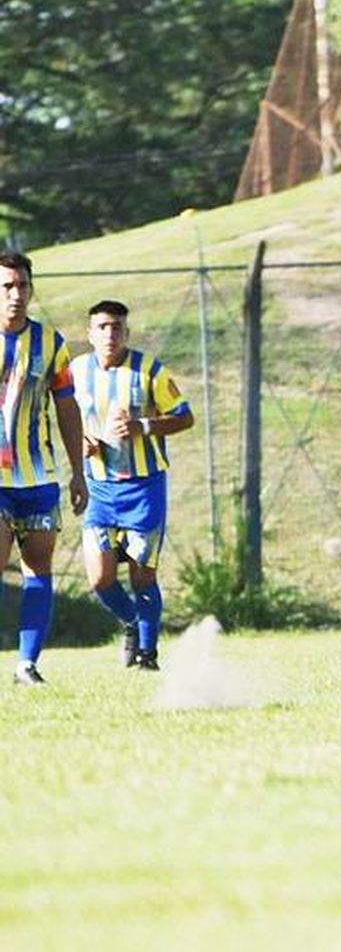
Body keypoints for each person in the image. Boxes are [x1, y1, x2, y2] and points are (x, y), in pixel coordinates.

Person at [71, 301, 194, 671]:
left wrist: (142, 427)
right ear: (90, 333)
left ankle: (148, 654)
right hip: (100, 488)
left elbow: (185, 417)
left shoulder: (149, 370)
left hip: (144, 487)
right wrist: (80, 443)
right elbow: (60, 418)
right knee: (100, 578)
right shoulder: (76, 371)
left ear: (127, 332)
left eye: (117, 327)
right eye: (103, 327)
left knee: (143, 574)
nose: (110, 334)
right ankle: (131, 622)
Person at [0, 251, 87, 686]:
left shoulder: (51, 344)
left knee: (38, 567)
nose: (16, 295)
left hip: (38, 479)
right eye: (7, 286)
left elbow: (67, 408)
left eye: (23, 286)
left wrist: (79, 471)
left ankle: (26, 665)